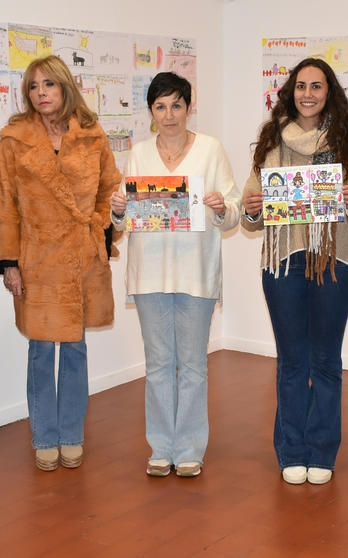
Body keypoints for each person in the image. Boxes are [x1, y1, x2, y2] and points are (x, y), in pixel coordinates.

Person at [241, 58, 348, 486]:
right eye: (300, 86)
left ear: (329, 92)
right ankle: (291, 451)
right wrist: (252, 212)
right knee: (291, 362)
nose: (307, 94)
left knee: (325, 361)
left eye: (316, 87)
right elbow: (252, 213)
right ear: (290, 91)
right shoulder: (270, 140)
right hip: (283, 260)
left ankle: (321, 451)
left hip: (334, 262)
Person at [0, 55, 121, 472]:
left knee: (76, 349)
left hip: (82, 256)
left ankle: (72, 435)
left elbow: (109, 190)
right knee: (41, 350)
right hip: (37, 258)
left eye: (49, 84)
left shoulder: (92, 135)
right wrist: (9, 262)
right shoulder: (14, 139)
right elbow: (2, 205)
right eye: (33, 86)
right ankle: (44, 435)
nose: (41, 93)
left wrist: (101, 229)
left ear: (66, 87)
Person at [109, 72, 240, 478]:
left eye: (177, 105)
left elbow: (233, 209)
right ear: (151, 112)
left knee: (194, 365)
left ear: (188, 106)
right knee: (159, 364)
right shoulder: (139, 155)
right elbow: (124, 222)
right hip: (149, 275)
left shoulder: (211, 150)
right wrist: (117, 208)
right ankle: (161, 447)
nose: (169, 115)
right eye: (160, 107)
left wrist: (221, 207)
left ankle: (189, 449)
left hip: (196, 273)